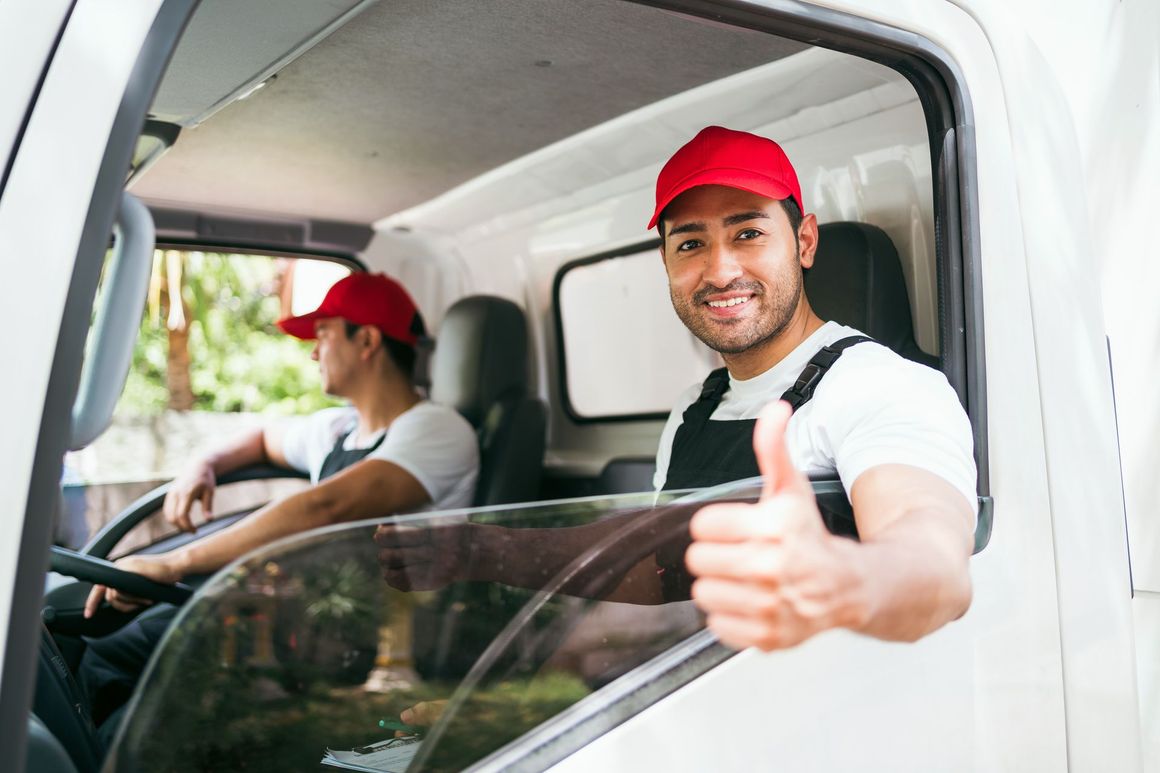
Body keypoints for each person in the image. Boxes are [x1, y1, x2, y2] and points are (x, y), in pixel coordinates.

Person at [375, 126, 976, 658]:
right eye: (690, 243)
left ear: (805, 242)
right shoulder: (697, 406)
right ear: (665, 261)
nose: (719, 271)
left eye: (747, 233)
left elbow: (933, 565)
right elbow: (661, 574)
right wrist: (477, 551)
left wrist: (843, 579)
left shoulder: (879, 384)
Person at [80, 271, 479, 734]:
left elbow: (326, 507)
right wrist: (203, 464)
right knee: (101, 654)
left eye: (324, 336)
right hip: (290, 618)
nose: (312, 352)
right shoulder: (337, 429)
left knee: (140, 729)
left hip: (362, 648)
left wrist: (175, 561)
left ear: (367, 340)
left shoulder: (436, 430)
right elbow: (262, 439)